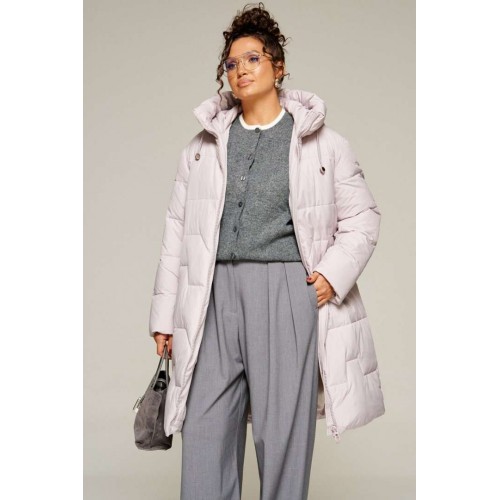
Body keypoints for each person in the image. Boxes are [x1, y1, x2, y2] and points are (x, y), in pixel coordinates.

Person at [149, 3, 385, 499]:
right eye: (231, 63)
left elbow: (363, 217)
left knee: (282, 438)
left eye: (252, 59)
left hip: (284, 292)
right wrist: (165, 317)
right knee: (204, 430)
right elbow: (177, 234)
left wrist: (331, 275)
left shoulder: (323, 144)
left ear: (278, 67)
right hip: (212, 296)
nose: (241, 70)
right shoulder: (202, 148)